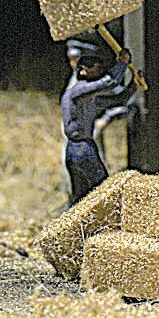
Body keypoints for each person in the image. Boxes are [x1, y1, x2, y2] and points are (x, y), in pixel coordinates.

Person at [62, 37, 131, 205]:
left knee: (81, 196)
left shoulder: (87, 98)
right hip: (81, 148)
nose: (100, 73)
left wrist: (133, 87)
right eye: (96, 70)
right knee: (103, 189)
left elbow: (117, 99)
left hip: (77, 148)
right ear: (84, 71)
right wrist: (122, 63)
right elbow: (109, 82)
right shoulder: (78, 91)